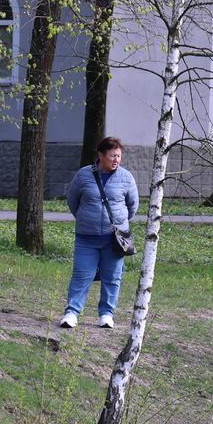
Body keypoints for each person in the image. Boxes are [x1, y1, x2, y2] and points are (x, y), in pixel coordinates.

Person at [60, 137, 139, 329]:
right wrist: (87, 219)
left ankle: (106, 314)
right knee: (81, 275)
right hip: (86, 238)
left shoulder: (126, 177)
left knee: (112, 277)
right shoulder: (83, 175)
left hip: (114, 240)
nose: (116, 160)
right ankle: (71, 313)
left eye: (119, 156)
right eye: (112, 155)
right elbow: (73, 201)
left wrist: (119, 222)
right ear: (101, 156)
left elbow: (133, 205)